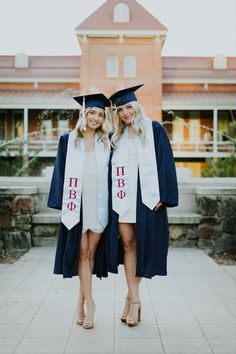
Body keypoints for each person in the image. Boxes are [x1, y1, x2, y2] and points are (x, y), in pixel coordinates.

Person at [108, 84, 178, 327]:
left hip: (147, 198)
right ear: (116, 113)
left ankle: (132, 300)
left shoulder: (153, 129)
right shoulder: (114, 137)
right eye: (120, 109)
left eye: (128, 107)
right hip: (122, 198)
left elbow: (165, 162)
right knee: (127, 245)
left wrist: (164, 195)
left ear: (136, 107)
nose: (125, 112)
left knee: (143, 246)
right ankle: (134, 298)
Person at [47, 93, 111, 329]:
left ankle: (79, 302)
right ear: (84, 114)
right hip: (77, 204)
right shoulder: (68, 140)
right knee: (83, 254)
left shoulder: (107, 142)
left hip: (100, 204)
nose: (96, 118)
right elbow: (59, 173)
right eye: (92, 113)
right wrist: (61, 204)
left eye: (101, 114)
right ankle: (90, 304)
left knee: (91, 253)